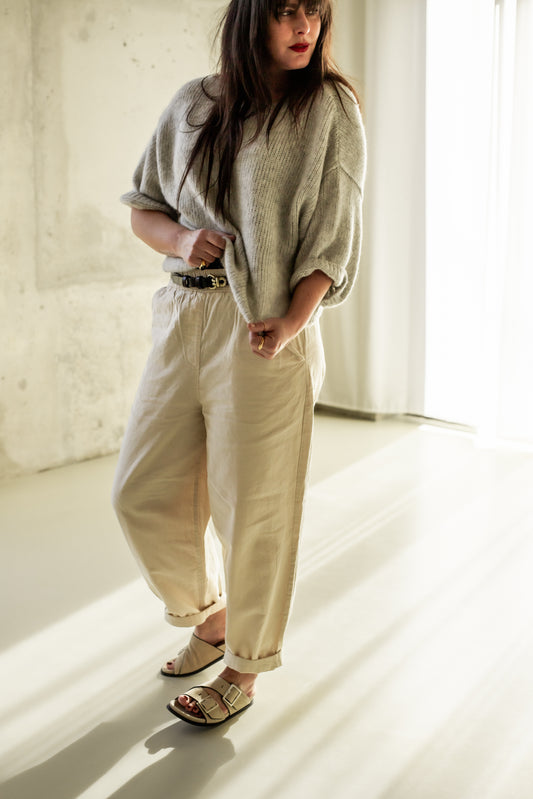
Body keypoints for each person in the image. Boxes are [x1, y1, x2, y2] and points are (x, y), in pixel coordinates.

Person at [112, 0, 366, 728]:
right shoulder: (194, 103)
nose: (305, 27)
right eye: (287, 11)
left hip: (263, 327)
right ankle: (211, 615)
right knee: (140, 492)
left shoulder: (328, 108)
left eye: (314, 11)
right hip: (181, 315)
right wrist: (180, 238)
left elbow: (333, 236)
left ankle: (245, 667)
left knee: (254, 510)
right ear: (251, 17)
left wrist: (293, 320)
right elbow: (143, 207)